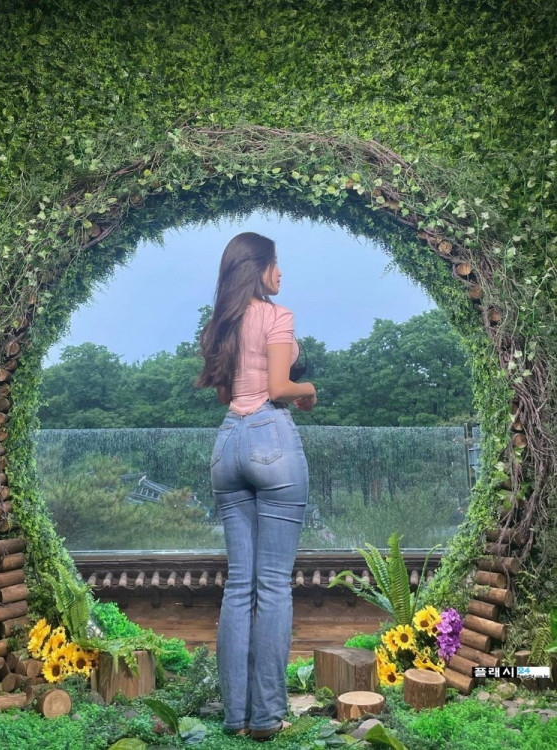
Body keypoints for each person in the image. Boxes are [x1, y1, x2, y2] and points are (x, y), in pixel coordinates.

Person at [196, 232, 317, 741]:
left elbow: (227, 391)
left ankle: (235, 716)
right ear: (259, 268)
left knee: (239, 587)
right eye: (275, 263)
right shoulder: (276, 315)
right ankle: (266, 716)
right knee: (272, 586)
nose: (280, 272)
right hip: (271, 437)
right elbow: (279, 388)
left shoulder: (220, 323)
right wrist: (310, 390)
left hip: (227, 443)